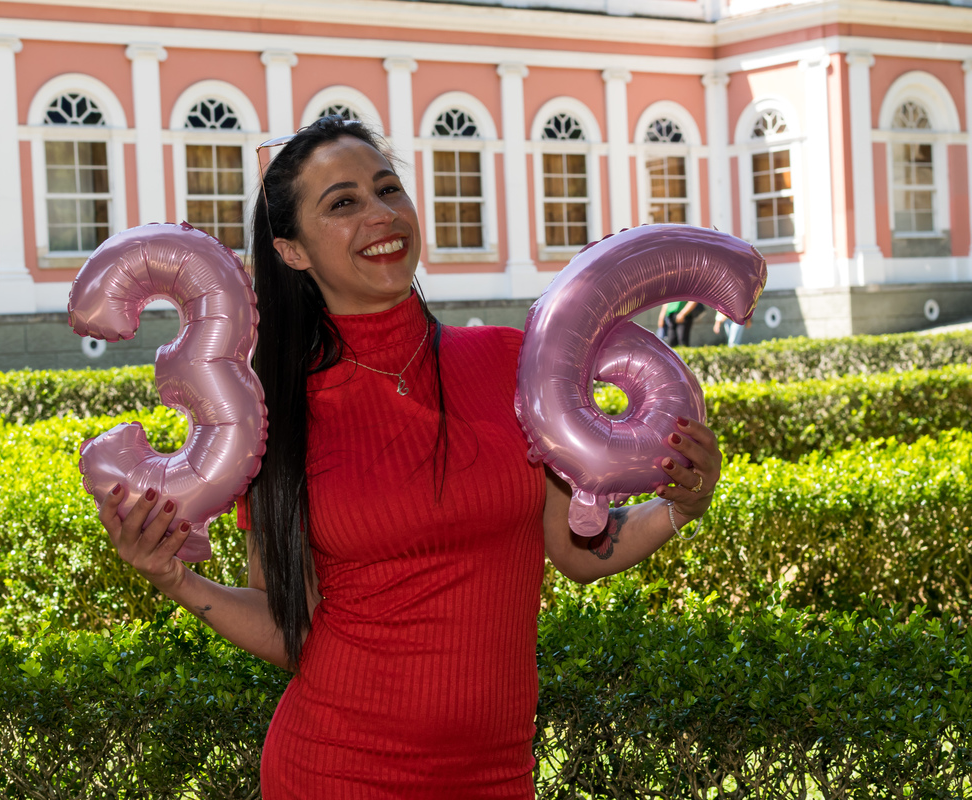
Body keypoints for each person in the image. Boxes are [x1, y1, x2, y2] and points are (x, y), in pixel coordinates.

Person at [95, 116, 722, 799]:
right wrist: (174, 580)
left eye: (388, 189)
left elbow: (577, 550)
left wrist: (678, 506)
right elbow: (290, 628)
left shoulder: (512, 363)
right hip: (337, 771)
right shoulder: (277, 415)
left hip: (495, 774)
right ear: (292, 251)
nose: (381, 214)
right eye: (343, 203)